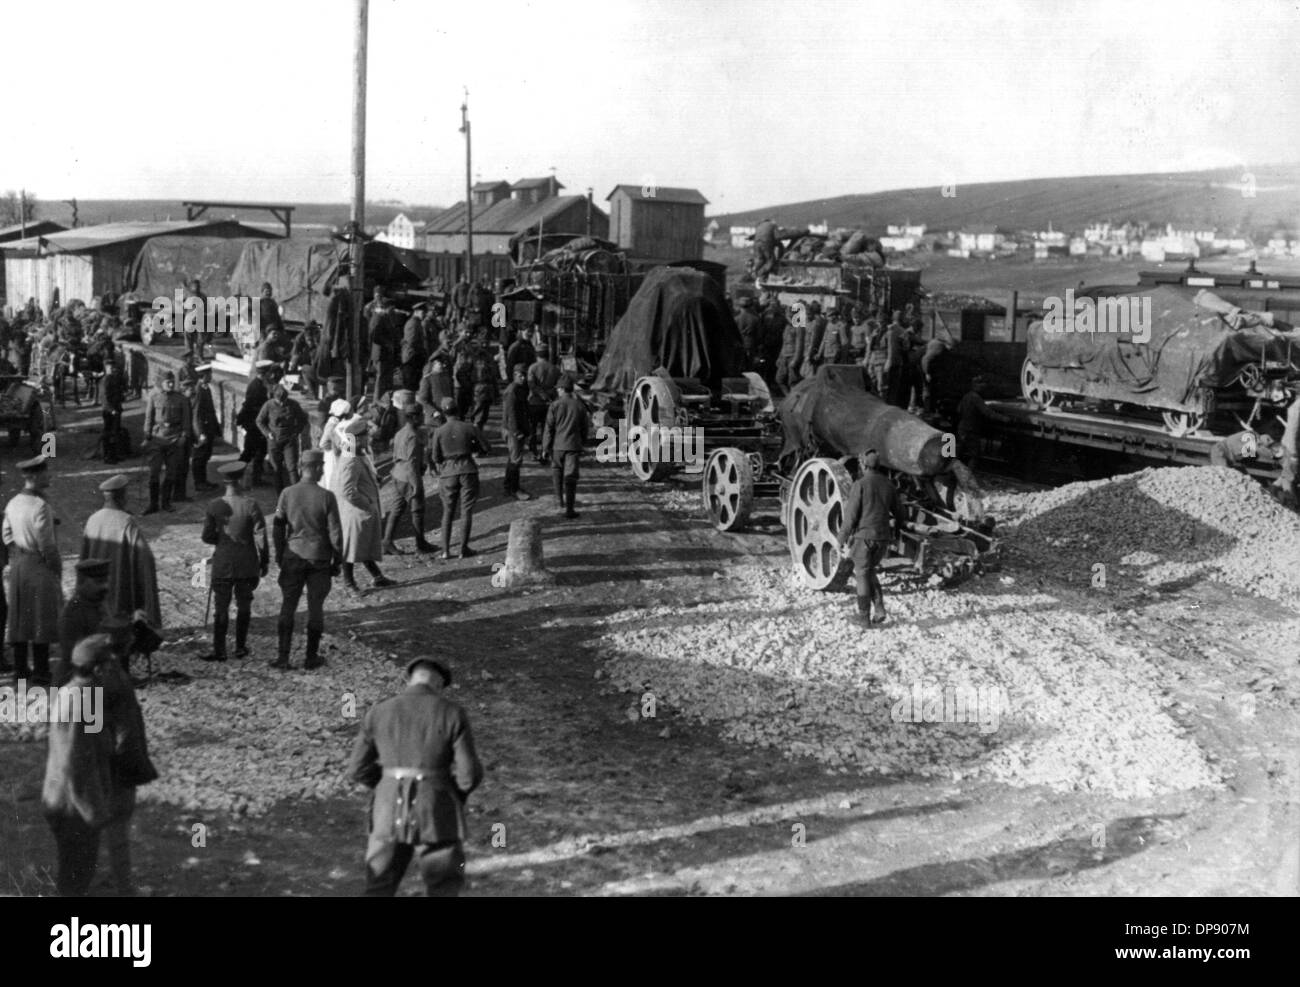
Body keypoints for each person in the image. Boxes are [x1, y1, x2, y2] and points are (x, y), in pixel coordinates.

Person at [347, 656, 483, 896]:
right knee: (444, 887)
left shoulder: (378, 712)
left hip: (387, 810)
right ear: (439, 684)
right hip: (436, 810)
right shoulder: (452, 713)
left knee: (378, 886)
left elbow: (357, 768)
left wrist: (385, 785)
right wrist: (450, 795)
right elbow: (469, 776)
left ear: (409, 680)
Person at [95, 620, 158, 896]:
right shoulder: (111, 678)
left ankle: (96, 877)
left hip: (110, 760)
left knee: (103, 824)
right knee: (118, 824)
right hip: (118, 762)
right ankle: (124, 887)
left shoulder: (101, 673)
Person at [273, 448, 343, 670]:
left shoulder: (287, 493)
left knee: (288, 605)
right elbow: (336, 534)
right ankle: (310, 658)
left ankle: (283, 657)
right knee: (315, 608)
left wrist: (279, 552)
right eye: (321, 465)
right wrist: (337, 561)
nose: (323, 469)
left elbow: (277, 526)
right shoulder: (327, 496)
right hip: (319, 559)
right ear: (315, 468)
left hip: (293, 556)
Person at [199, 462, 268, 662]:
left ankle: (219, 650)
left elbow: (206, 536)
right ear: (240, 479)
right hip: (247, 563)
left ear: (225, 481)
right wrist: (264, 562)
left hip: (223, 563)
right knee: (244, 605)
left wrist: (220, 541)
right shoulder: (251, 504)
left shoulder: (214, 505)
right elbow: (261, 537)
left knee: (221, 607)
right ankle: (240, 647)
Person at [3, 456, 64, 685]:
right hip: (39, 565)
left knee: (20, 616)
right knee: (41, 616)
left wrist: (19, 552)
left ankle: (20, 670)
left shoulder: (13, 502)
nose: (49, 476)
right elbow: (47, 544)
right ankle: (40, 671)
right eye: (46, 473)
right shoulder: (40, 506)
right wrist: (56, 568)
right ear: (35, 477)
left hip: (19, 563)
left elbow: (6, 534)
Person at [79, 474, 162, 633]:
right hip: (120, 587)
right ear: (121, 497)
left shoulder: (92, 519)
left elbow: (84, 555)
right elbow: (145, 558)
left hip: (97, 587)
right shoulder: (126, 521)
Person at [837, 449, 907, 626]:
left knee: (861, 574)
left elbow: (851, 516)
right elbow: (900, 513)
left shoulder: (860, 484)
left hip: (864, 539)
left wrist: (841, 538)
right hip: (883, 539)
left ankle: (863, 618)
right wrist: (897, 533)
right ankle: (880, 609)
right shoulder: (889, 485)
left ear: (863, 465)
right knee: (870, 571)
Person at [336, 417, 396, 594]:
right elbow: (347, 490)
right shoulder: (351, 459)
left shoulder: (356, 455)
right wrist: (367, 504)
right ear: (357, 438)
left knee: (363, 545)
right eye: (364, 436)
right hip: (356, 512)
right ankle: (349, 584)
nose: (368, 439)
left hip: (361, 511)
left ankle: (377, 577)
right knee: (351, 549)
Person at [431, 397, 489, 560]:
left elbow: (436, 457)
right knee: (466, 511)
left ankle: (445, 550)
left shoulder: (439, 431)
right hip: (468, 470)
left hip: (448, 473)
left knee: (448, 511)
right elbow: (486, 447)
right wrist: (472, 447)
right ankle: (463, 549)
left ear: (443, 412)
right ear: (458, 410)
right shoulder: (469, 427)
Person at [385, 403, 436, 554]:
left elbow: (395, 456)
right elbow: (412, 462)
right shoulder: (413, 436)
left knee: (396, 509)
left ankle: (387, 541)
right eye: (420, 415)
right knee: (418, 510)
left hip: (397, 474)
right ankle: (421, 544)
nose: (422, 418)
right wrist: (416, 485)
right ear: (414, 417)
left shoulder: (400, 433)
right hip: (409, 476)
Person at [142, 370, 192, 514]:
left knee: (171, 473)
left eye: (172, 382)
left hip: (174, 440)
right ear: (161, 383)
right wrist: (147, 436)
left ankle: (165, 503)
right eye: (167, 382)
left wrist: (184, 436)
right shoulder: (154, 396)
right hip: (157, 439)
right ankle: (153, 504)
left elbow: (186, 421)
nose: (170, 384)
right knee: (154, 472)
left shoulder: (181, 399)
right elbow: (149, 417)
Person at [56, 559, 111, 687]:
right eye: (99, 582)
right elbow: (74, 655)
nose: (105, 586)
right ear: (81, 583)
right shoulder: (73, 613)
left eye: (106, 581)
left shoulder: (99, 604)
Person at [542, 374, 590, 520]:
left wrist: (545, 448)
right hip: (573, 447)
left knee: (557, 472)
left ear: (562, 389)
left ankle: (559, 501)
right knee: (570, 478)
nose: (557, 391)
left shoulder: (554, 405)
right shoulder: (579, 406)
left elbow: (548, 429)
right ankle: (569, 509)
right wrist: (582, 442)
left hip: (557, 447)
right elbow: (584, 429)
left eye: (558, 389)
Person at [257, 383, 308, 494]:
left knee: (292, 468)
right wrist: (268, 433)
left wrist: (296, 432)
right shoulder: (268, 405)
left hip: (289, 441)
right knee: (277, 469)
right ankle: (280, 496)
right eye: (279, 401)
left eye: (284, 401)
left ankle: (297, 494)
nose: (281, 403)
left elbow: (303, 420)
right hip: (274, 441)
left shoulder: (293, 405)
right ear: (274, 398)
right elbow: (259, 421)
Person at [236, 360, 275, 488]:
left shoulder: (260, 384)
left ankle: (256, 478)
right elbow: (251, 407)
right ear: (266, 373)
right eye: (270, 372)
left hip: (257, 425)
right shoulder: (256, 387)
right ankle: (235, 476)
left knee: (260, 451)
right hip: (253, 425)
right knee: (249, 452)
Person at [956, 378, 1011, 463]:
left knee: (958, 453)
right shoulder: (976, 398)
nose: (983, 386)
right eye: (980, 384)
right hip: (971, 430)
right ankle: (969, 474)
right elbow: (988, 413)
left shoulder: (966, 396)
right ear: (975, 386)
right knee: (975, 455)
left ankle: (952, 473)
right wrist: (1004, 418)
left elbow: (959, 410)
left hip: (962, 429)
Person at [501, 363, 533, 500]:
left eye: (525, 375)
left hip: (517, 428)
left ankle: (509, 486)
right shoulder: (512, 391)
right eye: (520, 376)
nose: (523, 378)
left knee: (513, 459)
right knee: (516, 460)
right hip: (513, 430)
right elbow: (511, 414)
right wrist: (516, 432)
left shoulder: (520, 388)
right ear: (514, 375)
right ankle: (514, 489)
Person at [190, 362, 220, 492]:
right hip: (203, 430)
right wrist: (200, 433)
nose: (211, 376)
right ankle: (199, 482)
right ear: (204, 375)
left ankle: (203, 480)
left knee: (206, 455)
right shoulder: (199, 391)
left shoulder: (205, 388)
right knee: (200, 457)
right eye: (209, 374)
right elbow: (196, 414)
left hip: (209, 428)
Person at [526, 352, 561, 456]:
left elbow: (531, 384)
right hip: (549, 403)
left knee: (532, 428)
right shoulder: (555, 369)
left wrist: (541, 394)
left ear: (537, 355)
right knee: (547, 429)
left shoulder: (532, 367)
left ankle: (533, 452)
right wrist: (548, 395)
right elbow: (558, 385)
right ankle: (545, 451)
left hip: (534, 402)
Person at [319, 398, 351, 495]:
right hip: (332, 456)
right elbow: (323, 443)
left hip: (339, 455)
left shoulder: (341, 423)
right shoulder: (332, 424)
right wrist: (335, 447)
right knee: (331, 480)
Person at [100, 357, 126, 464]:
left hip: (116, 408)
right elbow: (104, 397)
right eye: (110, 367)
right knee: (109, 434)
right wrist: (111, 410)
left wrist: (121, 398)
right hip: (109, 411)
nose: (112, 369)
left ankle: (114, 454)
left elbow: (118, 393)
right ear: (106, 368)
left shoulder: (114, 378)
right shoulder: (105, 380)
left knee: (115, 433)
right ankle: (108, 456)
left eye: (113, 367)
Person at [468, 343, 499, 431]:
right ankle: (476, 435)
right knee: (478, 415)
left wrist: (496, 393)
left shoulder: (488, 359)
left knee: (484, 415)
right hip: (478, 389)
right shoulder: (473, 360)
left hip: (487, 389)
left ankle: (478, 433)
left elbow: (493, 377)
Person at [1210, 431, 1276, 471]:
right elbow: (1259, 449)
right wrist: (1273, 456)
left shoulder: (1253, 439)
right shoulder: (1251, 435)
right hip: (1220, 451)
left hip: (1227, 456)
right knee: (1224, 474)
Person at [920, 336, 952, 415]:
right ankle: (928, 410)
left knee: (931, 390)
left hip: (931, 369)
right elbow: (926, 359)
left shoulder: (938, 347)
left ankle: (930, 409)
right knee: (928, 390)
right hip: (927, 369)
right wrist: (927, 373)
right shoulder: (938, 348)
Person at [401, 304, 428, 392]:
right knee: (410, 385)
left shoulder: (417, 322)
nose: (424, 314)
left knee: (414, 384)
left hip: (415, 357)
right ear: (416, 312)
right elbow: (411, 342)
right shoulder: (413, 323)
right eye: (423, 312)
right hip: (412, 358)